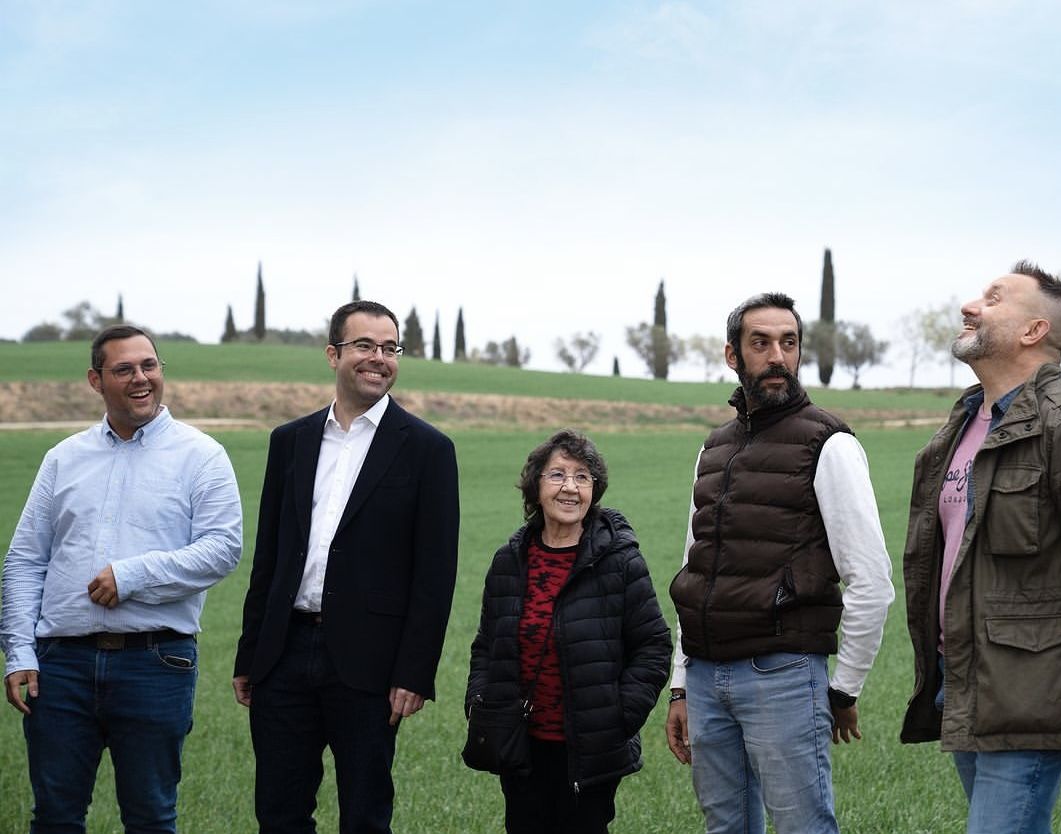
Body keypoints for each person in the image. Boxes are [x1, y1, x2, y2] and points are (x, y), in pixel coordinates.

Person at [901, 261, 1061, 833]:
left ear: (1033, 330)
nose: (971, 305)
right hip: (963, 675)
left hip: (1034, 686)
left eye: (993, 299)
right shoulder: (964, 425)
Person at [665, 292, 894, 834]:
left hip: (783, 676)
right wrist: (680, 683)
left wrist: (844, 688)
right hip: (705, 677)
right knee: (726, 828)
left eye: (788, 343)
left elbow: (871, 580)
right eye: (760, 343)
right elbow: (693, 569)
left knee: (802, 828)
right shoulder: (714, 448)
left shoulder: (828, 443)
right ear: (732, 355)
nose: (776, 356)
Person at [1, 325, 244, 833]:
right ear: (96, 380)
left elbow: (223, 550)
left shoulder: (202, 455)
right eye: (124, 369)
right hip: (59, 667)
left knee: (151, 819)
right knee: (54, 819)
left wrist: (132, 575)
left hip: (156, 665)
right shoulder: (63, 458)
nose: (141, 378)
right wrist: (20, 653)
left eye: (149, 366)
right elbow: (26, 560)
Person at [233, 299, 459, 833]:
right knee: (280, 813)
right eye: (365, 346)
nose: (378, 358)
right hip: (284, 655)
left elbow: (435, 574)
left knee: (364, 815)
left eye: (389, 348)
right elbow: (269, 554)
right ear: (333, 353)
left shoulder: (428, 449)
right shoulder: (289, 441)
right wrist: (251, 652)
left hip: (370, 665)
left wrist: (414, 672)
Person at [466, 429, 672, 834]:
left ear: (595, 490)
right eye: (558, 474)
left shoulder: (619, 562)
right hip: (519, 744)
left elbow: (653, 646)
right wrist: (479, 703)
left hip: (589, 750)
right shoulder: (510, 561)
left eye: (582, 477)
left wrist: (618, 717)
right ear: (535, 485)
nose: (570, 488)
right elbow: (487, 645)